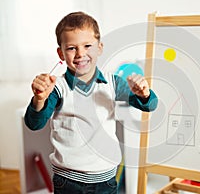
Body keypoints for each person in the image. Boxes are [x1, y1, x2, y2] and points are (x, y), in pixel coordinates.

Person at [24, 11, 158, 194]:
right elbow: (34, 123)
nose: (80, 54)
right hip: (67, 181)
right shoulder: (57, 88)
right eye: (72, 48)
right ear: (61, 53)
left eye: (88, 45)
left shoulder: (113, 83)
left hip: (106, 180)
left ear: (99, 48)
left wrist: (144, 93)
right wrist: (39, 99)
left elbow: (150, 105)